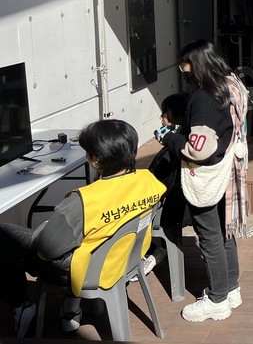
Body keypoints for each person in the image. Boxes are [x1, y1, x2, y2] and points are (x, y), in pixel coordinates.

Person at [0, 119, 165, 338]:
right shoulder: (149, 180)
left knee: (4, 236)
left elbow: (47, 250)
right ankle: (70, 308)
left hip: (85, 270)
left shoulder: (83, 201)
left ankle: (21, 306)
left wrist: (45, 229)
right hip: (126, 258)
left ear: (95, 159)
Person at [158, 39, 248, 322]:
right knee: (225, 229)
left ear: (195, 64)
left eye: (184, 65)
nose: (183, 70)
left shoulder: (204, 98)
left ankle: (217, 299)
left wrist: (169, 138)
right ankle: (231, 288)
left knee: (209, 235)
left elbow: (198, 150)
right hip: (230, 166)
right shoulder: (233, 83)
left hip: (207, 175)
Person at [141, 91, 190, 279]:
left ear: (178, 119)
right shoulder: (183, 144)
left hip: (164, 210)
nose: (161, 118)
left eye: (165, 114)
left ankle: (154, 251)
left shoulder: (172, 152)